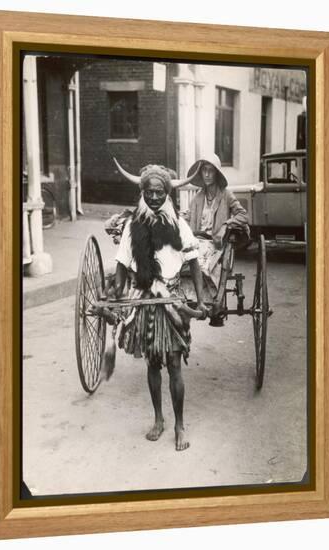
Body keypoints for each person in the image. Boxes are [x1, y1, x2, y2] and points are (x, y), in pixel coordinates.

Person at [111, 159, 207, 451]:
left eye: (159, 192)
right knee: (152, 363)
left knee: (175, 364)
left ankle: (179, 424)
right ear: (142, 192)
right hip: (145, 302)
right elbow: (121, 264)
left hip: (172, 303)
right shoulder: (131, 227)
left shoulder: (178, 225)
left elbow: (194, 262)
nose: (154, 197)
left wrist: (201, 300)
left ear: (168, 193)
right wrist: (116, 294)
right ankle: (158, 419)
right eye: (149, 192)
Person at [185, 154, 249, 313]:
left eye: (210, 171)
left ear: (217, 174)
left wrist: (226, 225)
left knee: (200, 264)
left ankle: (211, 301)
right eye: (204, 171)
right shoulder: (197, 198)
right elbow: (188, 216)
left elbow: (243, 215)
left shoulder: (226, 195)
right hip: (196, 241)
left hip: (216, 245)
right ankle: (188, 298)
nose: (206, 175)